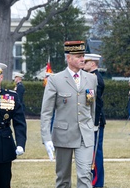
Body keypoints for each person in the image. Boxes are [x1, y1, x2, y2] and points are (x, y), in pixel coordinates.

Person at [40, 41, 97, 188]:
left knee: (85, 175)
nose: (82, 59)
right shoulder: (55, 79)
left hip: (85, 134)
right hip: (63, 135)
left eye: (83, 56)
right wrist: (46, 138)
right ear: (68, 58)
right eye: (78, 56)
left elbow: (91, 107)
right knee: (63, 179)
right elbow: (46, 112)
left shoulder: (91, 79)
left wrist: (91, 126)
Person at [83, 53, 106, 188]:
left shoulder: (96, 79)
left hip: (95, 121)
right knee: (91, 153)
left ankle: (97, 182)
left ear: (93, 64)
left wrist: (94, 122)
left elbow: (94, 103)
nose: (83, 64)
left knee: (96, 153)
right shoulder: (91, 78)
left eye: (86, 62)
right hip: (91, 121)